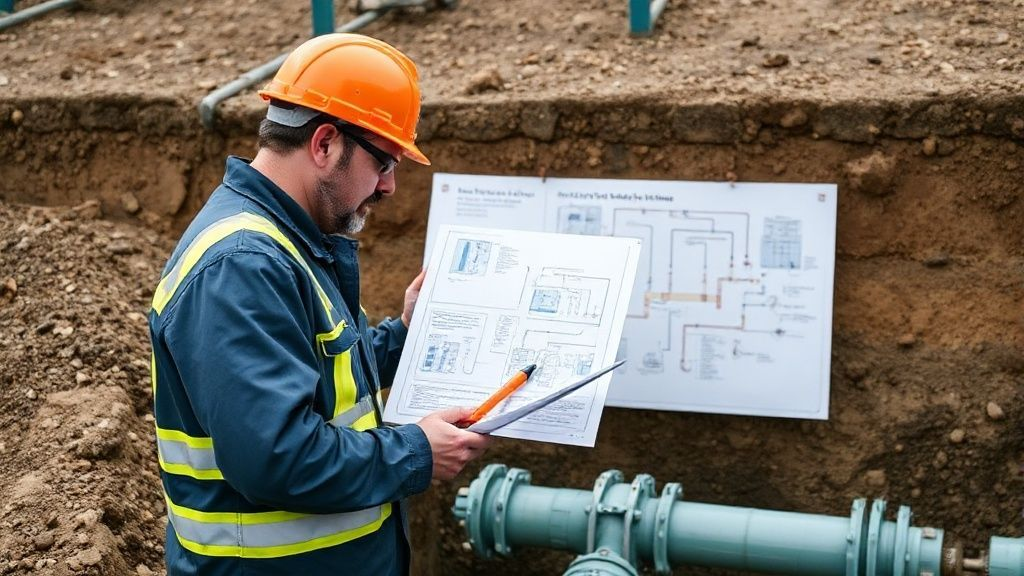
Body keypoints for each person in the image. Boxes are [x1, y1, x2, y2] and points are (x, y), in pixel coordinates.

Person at [148, 33, 490, 576]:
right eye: (383, 162)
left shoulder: (287, 240)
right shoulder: (242, 265)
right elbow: (277, 456)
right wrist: (417, 452)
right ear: (325, 143)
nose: (389, 187)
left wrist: (403, 333)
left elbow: (321, 377)